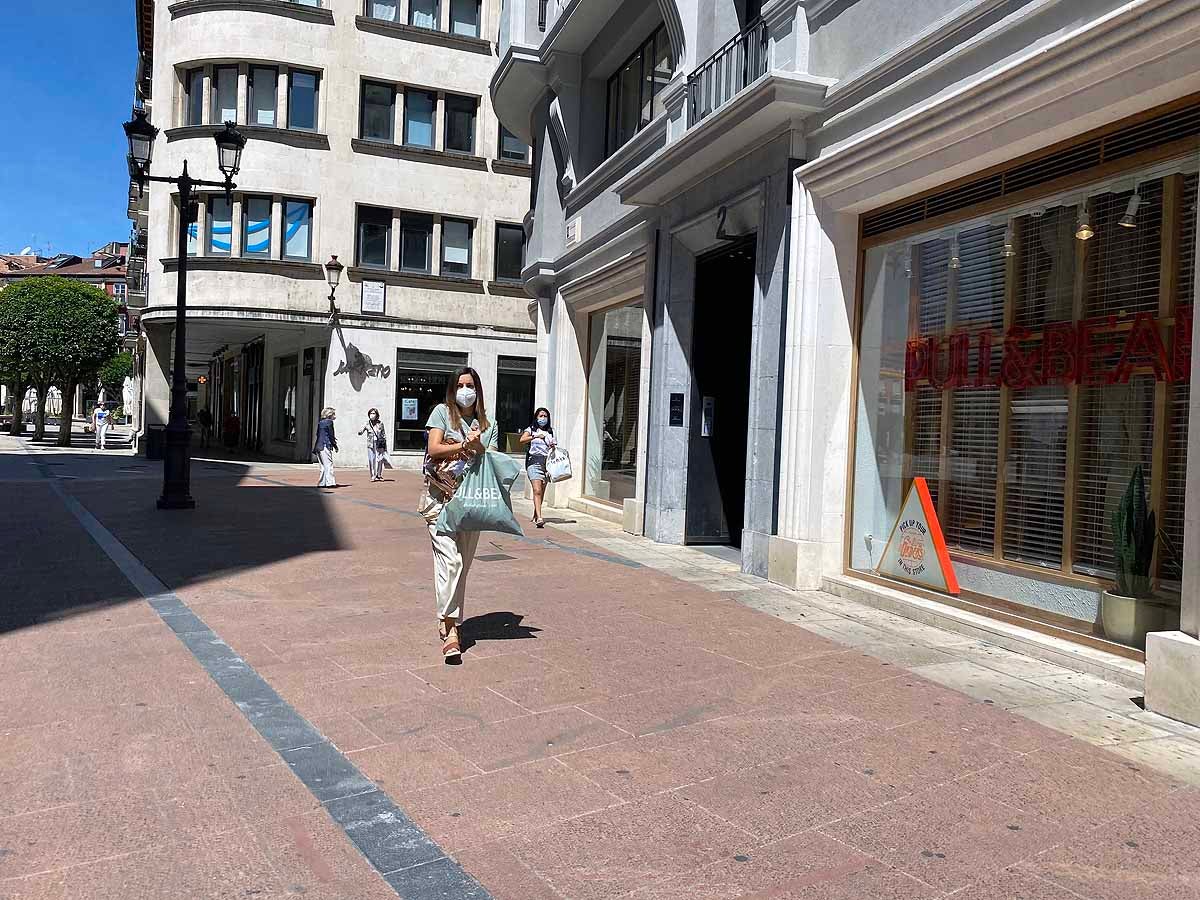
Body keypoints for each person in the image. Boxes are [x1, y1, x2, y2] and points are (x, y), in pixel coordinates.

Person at [420, 367, 497, 661]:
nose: (466, 390)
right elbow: (434, 448)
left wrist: (478, 446)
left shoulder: (489, 423)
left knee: (461, 566)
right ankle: (452, 631)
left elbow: (489, 461)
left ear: (478, 389)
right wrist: (464, 444)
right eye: (461, 385)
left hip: (470, 504)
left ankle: (447, 619)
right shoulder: (442, 412)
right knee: (450, 562)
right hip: (439, 500)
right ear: (454, 390)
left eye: (471, 385)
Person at [519, 407, 556, 528]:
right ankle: (540, 518)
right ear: (536, 417)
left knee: (542, 490)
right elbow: (522, 440)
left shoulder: (551, 431)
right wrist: (535, 437)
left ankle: (536, 513)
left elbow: (554, 446)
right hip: (533, 462)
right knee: (537, 490)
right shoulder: (531, 429)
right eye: (541, 416)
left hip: (546, 463)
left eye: (545, 416)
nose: (543, 418)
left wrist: (552, 446)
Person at [359, 408, 389, 482]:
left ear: (377, 415)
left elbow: (383, 433)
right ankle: (373, 475)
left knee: (380, 459)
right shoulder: (367, 423)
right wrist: (360, 432)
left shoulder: (380, 423)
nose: (372, 415)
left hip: (379, 443)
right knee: (371, 459)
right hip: (371, 443)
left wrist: (385, 444)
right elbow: (361, 430)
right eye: (371, 413)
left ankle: (379, 475)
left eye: (374, 413)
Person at [313, 407, 339, 488]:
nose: (335, 416)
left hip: (318, 445)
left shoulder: (321, 422)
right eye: (333, 414)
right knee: (328, 464)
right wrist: (335, 445)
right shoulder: (329, 422)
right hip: (325, 445)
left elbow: (318, 434)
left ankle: (322, 483)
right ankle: (330, 482)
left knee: (323, 466)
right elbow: (331, 435)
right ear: (330, 415)